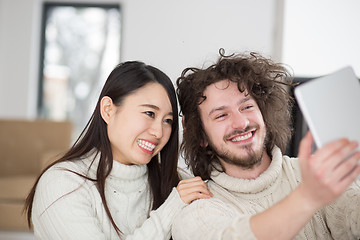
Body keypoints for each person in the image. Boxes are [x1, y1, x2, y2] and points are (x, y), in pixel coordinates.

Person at [172, 50, 360, 240]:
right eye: (221, 115)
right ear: (201, 135)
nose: (242, 123)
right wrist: (307, 197)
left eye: (247, 107)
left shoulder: (318, 175)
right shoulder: (196, 214)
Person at [24, 61, 212, 240]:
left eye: (167, 120)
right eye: (149, 113)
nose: (158, 132)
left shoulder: (179, 184)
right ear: (108, 110)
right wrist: (170, 209)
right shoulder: (62, 184)